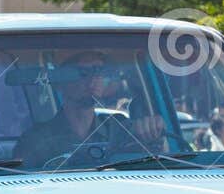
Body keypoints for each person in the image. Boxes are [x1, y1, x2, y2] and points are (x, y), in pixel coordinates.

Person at [11, 52, 162, 169]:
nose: (93, 79)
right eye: (82, 72)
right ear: (60, 83)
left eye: (99, 71)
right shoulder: (36, 139)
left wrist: (151, 130)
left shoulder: (121, 128)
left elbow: (153, 162)